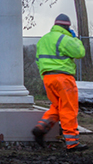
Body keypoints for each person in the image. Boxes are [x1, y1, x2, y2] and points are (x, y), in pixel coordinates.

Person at [33, 13, 87, 151]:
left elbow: (39, 61)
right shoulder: (65, 38)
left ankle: (41, 127)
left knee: (57, 107)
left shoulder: (43, 40)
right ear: (67, 26)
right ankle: (72, 143)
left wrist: (44, 76)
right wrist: (75, 39)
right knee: (69, 109)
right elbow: (80, 52)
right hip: (63, 78)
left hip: (47, 78)